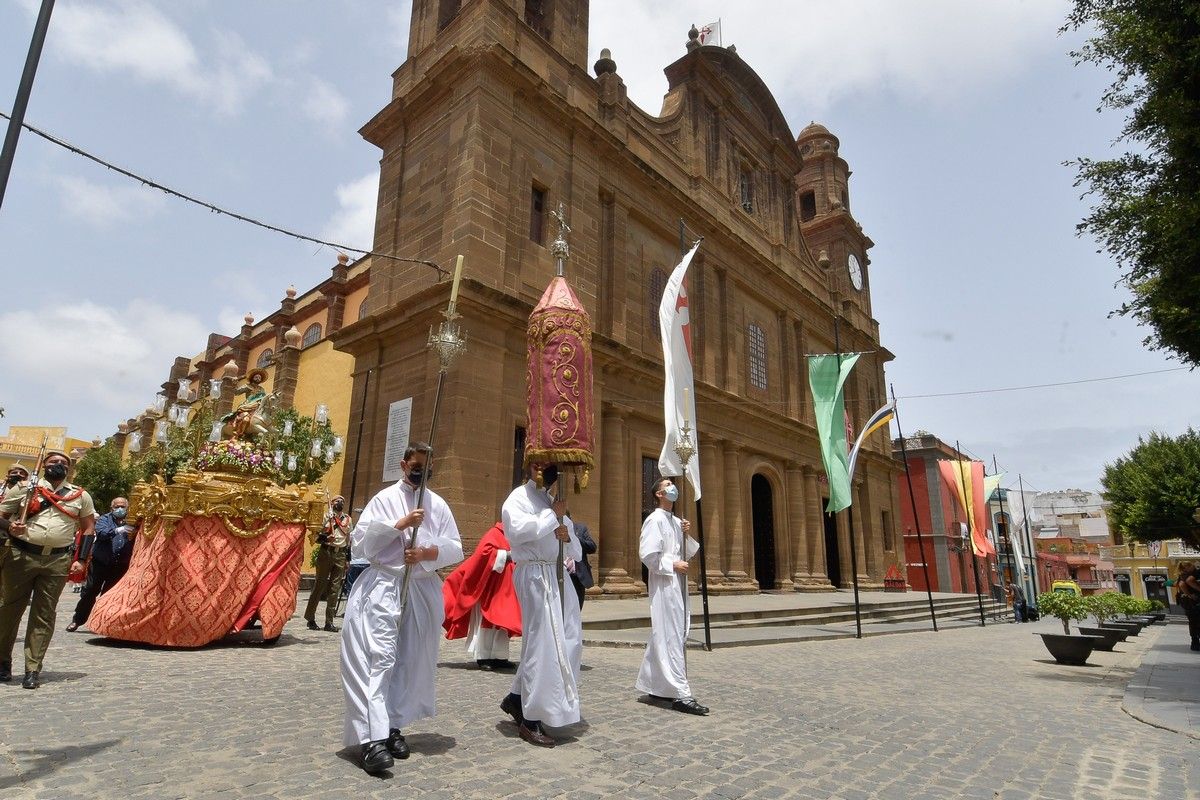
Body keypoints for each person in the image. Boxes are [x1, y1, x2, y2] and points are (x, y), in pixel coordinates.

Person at [340, 443, 463, 774]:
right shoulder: (383, 499)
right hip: (384, 585)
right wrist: (400, 524)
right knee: (377, 658)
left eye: (428, 466)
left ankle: (393, 725)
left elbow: (455, 547)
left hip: (420, 587)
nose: (422, 471)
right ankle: (370, 739)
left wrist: (425, 553)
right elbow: (362, 542)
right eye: (416, 465)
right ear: (404, 464)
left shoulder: (437, 504)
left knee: (409, 659)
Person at [499, 463, 583, 748]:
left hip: (557, 574)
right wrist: (552, 518)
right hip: (535, 573)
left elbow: (577, 551)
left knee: (567, 638)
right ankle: (530, 718)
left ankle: (517, 698)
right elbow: (518, 531)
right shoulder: (518, 498)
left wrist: (566, 535)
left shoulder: (549, 500)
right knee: (542, 643)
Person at [0, 451, 95, 689]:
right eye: (54, 462)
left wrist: (81, 560)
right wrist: (11, 526)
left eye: (64, 463)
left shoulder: (80, 496)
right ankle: (2, 662)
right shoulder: (24, 488)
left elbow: (88, 529)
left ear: (69, 469)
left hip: (57, 560)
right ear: (44, 465)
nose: (59, 465)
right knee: (8, 611)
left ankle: (33, 668)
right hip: (21, 556)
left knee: (44, 615)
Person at [636, 477, 708, 715]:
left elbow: (687, 553)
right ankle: (680, 693)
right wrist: (672, 564)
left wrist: (685, 534)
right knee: (671, 634)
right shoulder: (654, 519)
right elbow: (648, 554)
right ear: (658, 493)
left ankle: (655, 685)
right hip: (665, 583)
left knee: (668, 632)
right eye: (667, 485)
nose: (672, 487)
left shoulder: (677, 521)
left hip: (678, 584)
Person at [442, 521, 521, 670]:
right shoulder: (494, 533)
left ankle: (500, 657)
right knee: (487, 623)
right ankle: (484, 657)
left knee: (503, 622)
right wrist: (507, 555)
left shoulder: (515, 536)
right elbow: (484, 554)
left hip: (504, 589)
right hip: (488, 588)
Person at [66, 497, 136, 632]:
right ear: (112, 508)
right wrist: (119, 530)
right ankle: (78, 620)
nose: (120, 509)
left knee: (110, 594)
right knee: (89, 591)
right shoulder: (105, 519)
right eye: (117, 506)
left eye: (122, 506)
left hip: (120, 564)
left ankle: (102, 623)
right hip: (101, 562)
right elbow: (102, 533)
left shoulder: (132, 520)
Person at [305, 495, 351, 632]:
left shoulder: (348, 519)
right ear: (332, 503)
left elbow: (348, 538)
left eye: (342, 501)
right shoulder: (326, 517)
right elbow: (315, 536)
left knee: (335, 589)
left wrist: (348, 558)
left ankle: (329, 622)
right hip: (326, 552)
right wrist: (325, 538)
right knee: (320, 585)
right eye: (337, 500)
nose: (340, 502)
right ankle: (310, 618)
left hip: (341, 554)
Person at [567, 518, 596, 611]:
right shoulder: (551, 530)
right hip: (559, 575)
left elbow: (592, 547)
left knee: (577, 608)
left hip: (577, 577)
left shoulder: (580, 528)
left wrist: (574, 538)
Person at [1174, 561, 1200, 652]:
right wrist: (1192, 593)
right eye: (1192, 565)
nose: (1194, 566)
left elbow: (1179, 584)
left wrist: (1188, 594)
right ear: (1187, 567)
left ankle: (1195, 643)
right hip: (1194, 603)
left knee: (1193, 622)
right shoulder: (1191, 574)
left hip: (1187, 603)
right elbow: (1187, 582)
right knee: (1196, 621)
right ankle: (1195, 643)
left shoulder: (1181, 575)